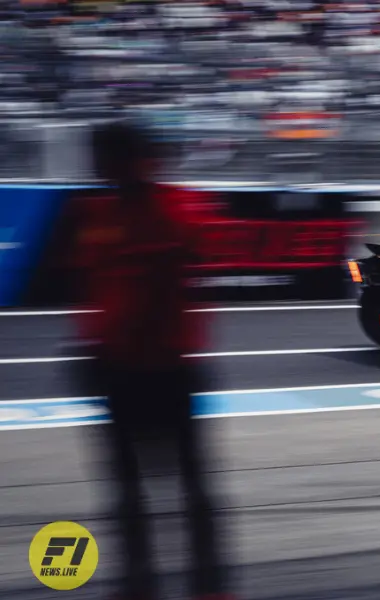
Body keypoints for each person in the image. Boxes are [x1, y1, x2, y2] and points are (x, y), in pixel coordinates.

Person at [70, 119, 232, 600]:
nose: (96, 167)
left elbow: (193, 261)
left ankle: (210, 589)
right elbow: (96, 290)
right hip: (118, 369)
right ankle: (139, 587)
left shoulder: (178, 206)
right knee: (128, 493)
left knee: (192, 488)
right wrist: (91, 346)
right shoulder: (96, 212)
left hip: (170, 368)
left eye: (104, 157)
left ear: (133, 159)